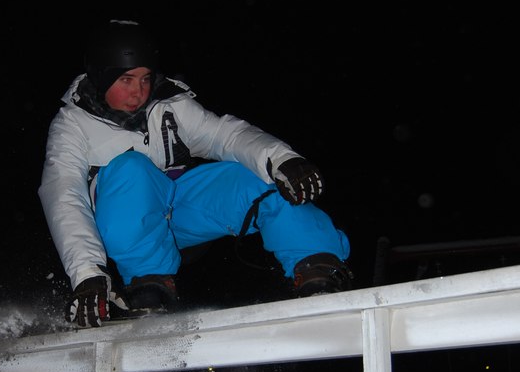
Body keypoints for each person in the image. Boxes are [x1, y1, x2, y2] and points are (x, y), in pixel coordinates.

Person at [39, 18, 352, 328]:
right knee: (129, 168)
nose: (139, 93)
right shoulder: (73, 126)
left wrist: (283, 159)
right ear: (101, 77)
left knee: (259, 175)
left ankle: (316, 267)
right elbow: (64, 197)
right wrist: (88, 273)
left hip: (184, 209)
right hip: (129, 223)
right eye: (126, 80)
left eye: (145, 79)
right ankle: (148, 285)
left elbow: (224, 135)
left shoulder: (169, 104)